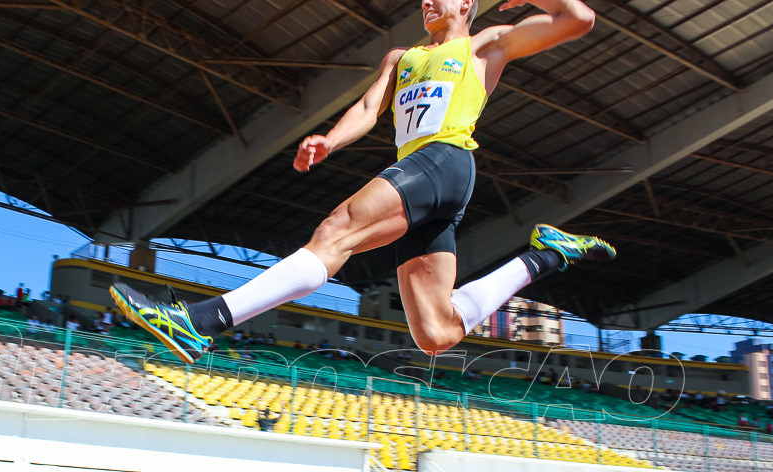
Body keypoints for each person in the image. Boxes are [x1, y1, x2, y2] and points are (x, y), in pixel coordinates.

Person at [110, 0, 613, 364]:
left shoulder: (486, 45)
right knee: (435, 333)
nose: (427, 1)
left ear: (466, 4)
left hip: (445, 160)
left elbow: (579, 19)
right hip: (425, 182)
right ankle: (548, 254)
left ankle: (203, 321)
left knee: (336, 231)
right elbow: (371, 108)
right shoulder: (401, 57)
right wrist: (331, 140)